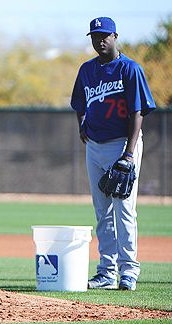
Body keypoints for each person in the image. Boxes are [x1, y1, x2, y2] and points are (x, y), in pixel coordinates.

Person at [70, 17, 156, 291]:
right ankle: (106, 272)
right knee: (102, 211)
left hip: (122, 145)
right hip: (94, 146)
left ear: (115, 36)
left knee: (124, 210)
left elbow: (137, 111)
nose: (100, 40)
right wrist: (81, 124)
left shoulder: (130, 69)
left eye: (104, 35)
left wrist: (129, 153)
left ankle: (128, 271)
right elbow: (78, 103)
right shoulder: (86, 70)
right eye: (95, 36)